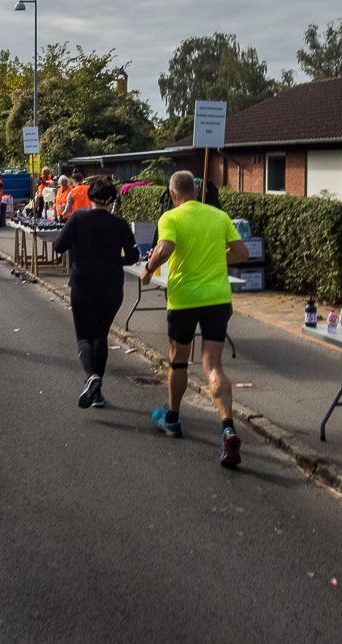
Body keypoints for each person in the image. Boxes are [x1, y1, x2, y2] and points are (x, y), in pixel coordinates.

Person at [141, 171, 250, 466]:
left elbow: (165, 249)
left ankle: (173, 418)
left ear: (173, 193)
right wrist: (216, 256)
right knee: (213, 365)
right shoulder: (218, 215)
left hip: (185, 300)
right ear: (196, 190)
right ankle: (227, 427)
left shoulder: (171, 217)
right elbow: (242, 252)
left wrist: (149, 270)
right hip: (217, 299)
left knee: (178, 361)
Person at [53, 177, 139, 408]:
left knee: (84, 336)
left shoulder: (78, 218)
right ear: (112, 200)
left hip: (83, 284)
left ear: (90, 196)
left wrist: (80, 249)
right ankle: (98, 394)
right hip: (111, 285)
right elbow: (133, 257)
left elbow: (58, 245)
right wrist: (116, 259)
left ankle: (91, 376)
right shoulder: (120, 224)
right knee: (101, 334)